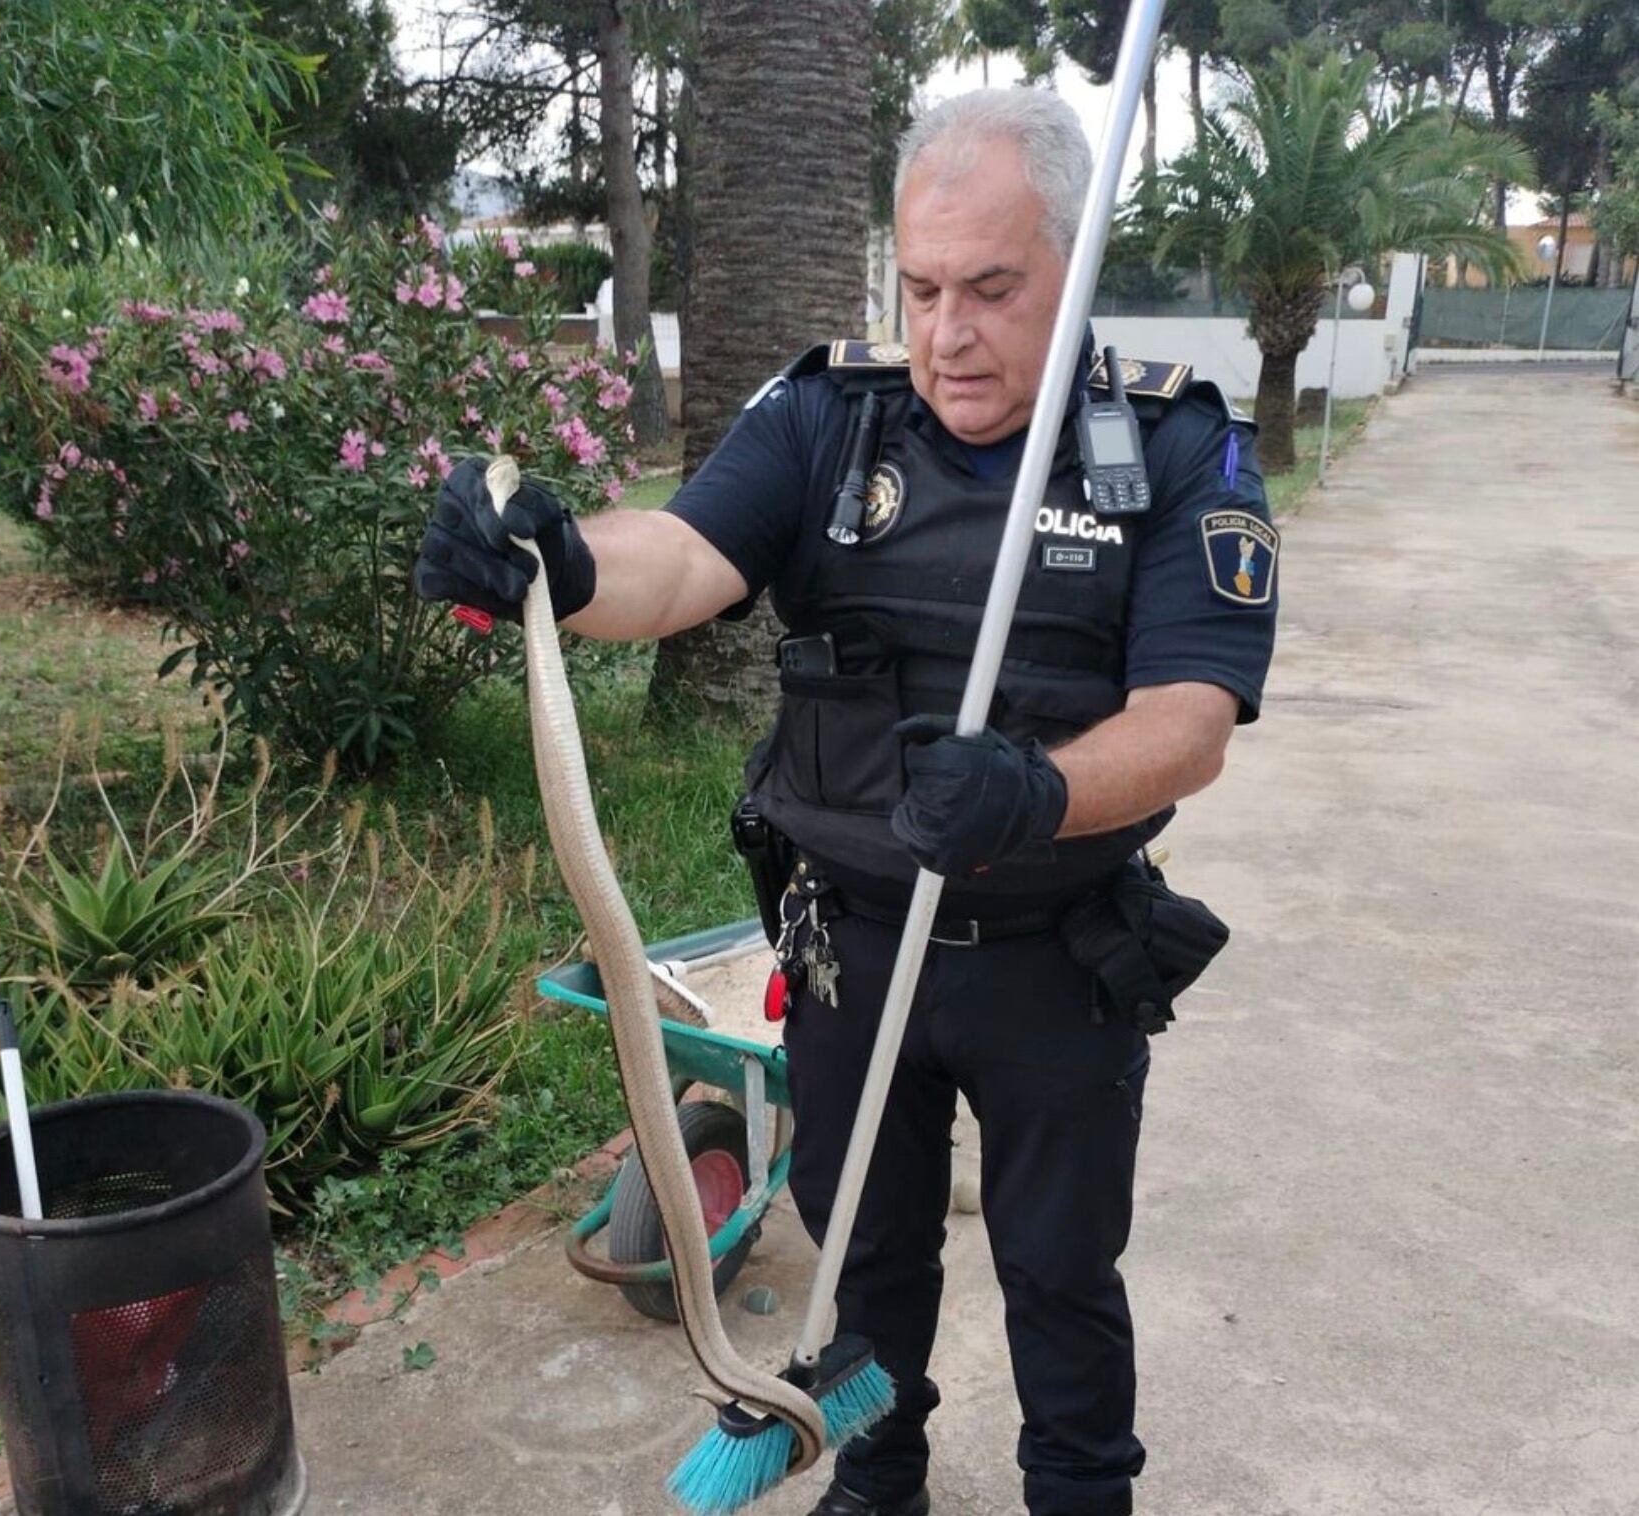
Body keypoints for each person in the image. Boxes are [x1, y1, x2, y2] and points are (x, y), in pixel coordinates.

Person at [416, 86, 1276, 1516]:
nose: (948, 333)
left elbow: (1189, 724)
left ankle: (1079, 1488)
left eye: (993, 290)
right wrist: (561, 568)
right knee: (862, 1256)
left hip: (1056, 957)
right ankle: (874, 1481)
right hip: (847, 950)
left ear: (1071, 267)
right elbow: (682, 558)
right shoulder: (830, 416)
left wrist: (1037, 790)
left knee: (1060, 1270)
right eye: (923, 287)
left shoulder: (1174, 449)